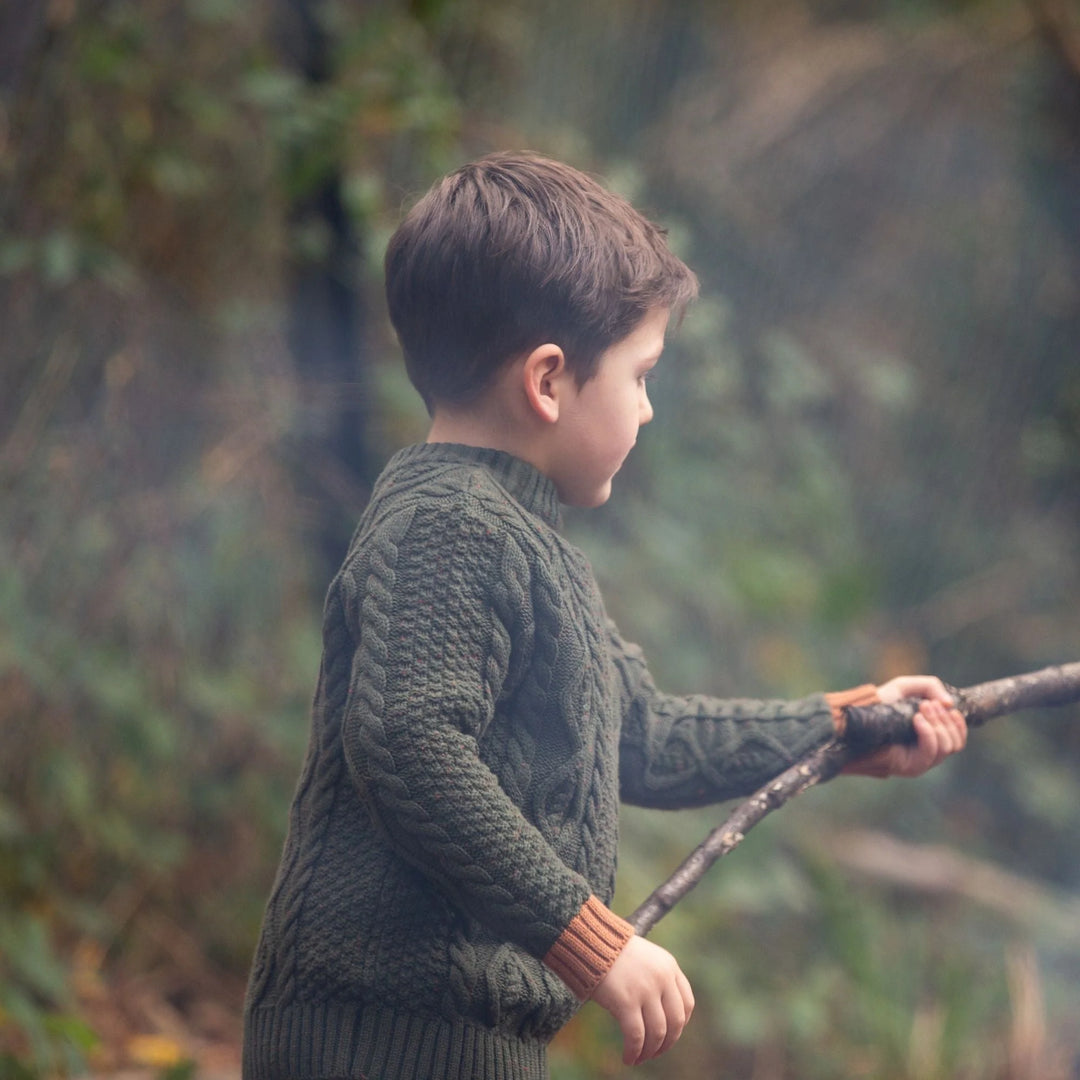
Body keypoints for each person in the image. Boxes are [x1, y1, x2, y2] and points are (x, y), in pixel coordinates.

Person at [242, 151, 967, 1080]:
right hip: (373, 1039)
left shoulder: (529, 548)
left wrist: (843, 727)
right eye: (641, 374)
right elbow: (406, 743)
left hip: (465, 1043)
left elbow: (645, 737)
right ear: (548, 381)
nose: (649, 408)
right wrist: (591, 940)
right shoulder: (449, 524)